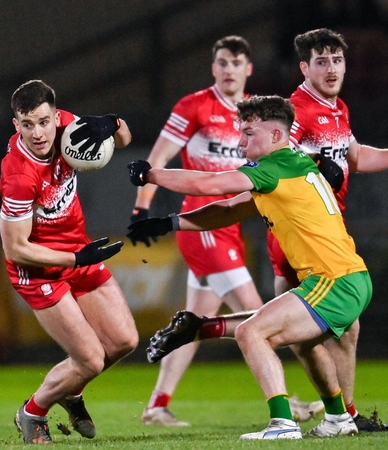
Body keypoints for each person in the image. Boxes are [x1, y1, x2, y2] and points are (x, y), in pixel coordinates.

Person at [127, 94, 373, 439]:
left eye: (249, 133)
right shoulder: (288, 167)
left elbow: (209, 185)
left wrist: (151, 174)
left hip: (335, 281)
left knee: (252, 332)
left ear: (275, 135)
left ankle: (283, 424)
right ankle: (338, 419)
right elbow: (227, 210)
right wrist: (170, 223)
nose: (240, 141)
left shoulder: (276, 166)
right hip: (344, 278)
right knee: (302, 342)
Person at [267, 27, 388, 431]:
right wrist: (314, 165)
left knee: (326, 331)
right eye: (322, 61)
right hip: (304, 232)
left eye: (337, 60)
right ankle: (340, 415)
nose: (331, 68)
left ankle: (342, 415)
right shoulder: (296, 107)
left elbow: (356, 157)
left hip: (327, 230)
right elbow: (276, 151)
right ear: (304, 67)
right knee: (316, 329)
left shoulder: (338, 108)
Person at [130, 35, 266, 427]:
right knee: (260, 312)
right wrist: (142, 206)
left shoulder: (254, 115)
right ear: (213, 68)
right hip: (201, 222)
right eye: (222, 63)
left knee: (194, 322)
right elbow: (156, 159)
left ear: (248, 69)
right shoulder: (194, 106)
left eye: (236, 63)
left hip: (230, 225)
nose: (229, 70)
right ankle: (286, 401)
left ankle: (157, 405)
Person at [0, 80, 138, 444]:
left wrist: (110, 123)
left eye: (44, 122)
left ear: (55, 115)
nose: (38, 133)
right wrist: (77, 257)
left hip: (77, 250)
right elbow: (16, 248)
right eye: (27, 124)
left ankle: (70, 389)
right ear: (16, 125)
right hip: (39, 269)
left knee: (124, 340)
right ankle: (33, 412)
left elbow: (123, 140)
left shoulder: (66, 126)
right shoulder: (18, 175)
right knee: (91, 359)